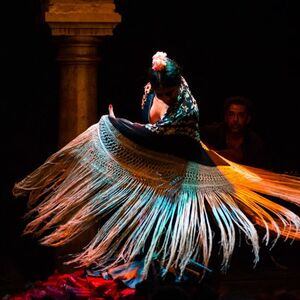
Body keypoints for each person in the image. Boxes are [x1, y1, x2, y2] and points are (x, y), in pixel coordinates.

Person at [11, 51, 300, 298]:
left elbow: (162, 137)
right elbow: (152, 132)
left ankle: (183, 281)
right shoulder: (152, 92)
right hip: (160, 170)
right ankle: (156, 278)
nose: (166, 97)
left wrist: (118, 127)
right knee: (152, 239)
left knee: (181, 239)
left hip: (185, 172)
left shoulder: (187, 108)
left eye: (170, 93)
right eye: (161, 93)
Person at [200, 96, 269, 168]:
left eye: (241, 115)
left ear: (248, 119)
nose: (235, 120)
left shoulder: (255, 143)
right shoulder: (212, 132)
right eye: (231, 114)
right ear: (226, 117)